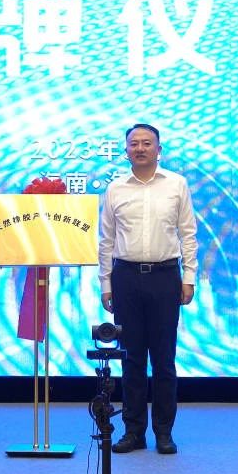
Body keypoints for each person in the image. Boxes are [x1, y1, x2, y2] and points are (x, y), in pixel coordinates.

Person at [98, 123, 198, 455]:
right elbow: (106, 240)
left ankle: (164, 432)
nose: (140, 148)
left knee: (164, 360)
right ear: (126, 150)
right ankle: (133, 432)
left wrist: (189, 277)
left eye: (146, 143)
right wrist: (106, 283)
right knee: (131, 360)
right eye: (134, 144)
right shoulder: (116, 188)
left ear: (158, 149)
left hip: (165, 276)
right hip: (125, 277)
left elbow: (188, 234)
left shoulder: (176, 184)